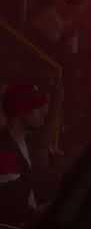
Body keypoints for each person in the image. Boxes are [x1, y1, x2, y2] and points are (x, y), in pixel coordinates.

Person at [0, 84, 49, 227]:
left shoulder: (30, 144)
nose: (43, 112)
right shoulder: (4, 151)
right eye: (36, 107)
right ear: (21, 111)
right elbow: (12, 209)